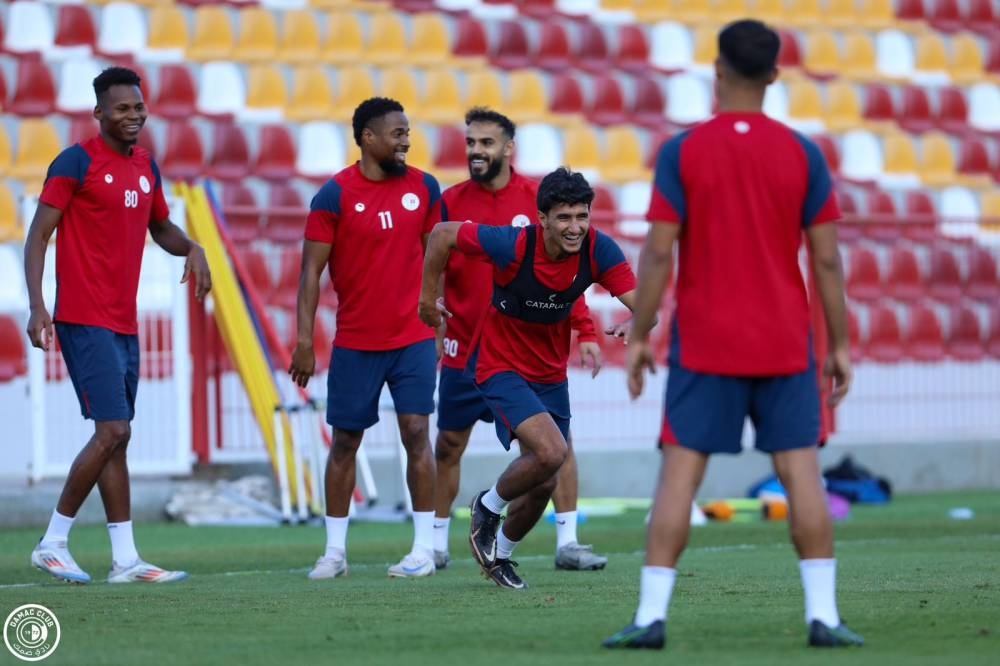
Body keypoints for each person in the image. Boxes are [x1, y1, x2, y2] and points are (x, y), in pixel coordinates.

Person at [602, 20, 863, 649]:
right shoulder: (803, 153)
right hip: (783, 341)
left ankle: (650, 618)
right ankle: (824, 617)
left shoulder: (682, 152)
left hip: (707, 343)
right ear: (774, 75)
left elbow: (657, 253)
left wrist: (639, 336)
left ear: (717, 69)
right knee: (801, 471)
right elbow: (827, 260)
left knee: (679, 475)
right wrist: (838, 345)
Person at [24, 66, 211, 585]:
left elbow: (160, 226)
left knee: (117, 438)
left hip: (123, 321)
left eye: (139, 107)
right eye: (122, 108)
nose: (134, 116)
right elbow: (38, 235)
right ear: (99, 113)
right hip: (83, 317)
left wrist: (192, 247)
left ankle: (126, 560)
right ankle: (52, 542)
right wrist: (38, 307)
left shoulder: (146, 165)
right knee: (113, 429)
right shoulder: (75, 162)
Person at [419, 168, 637, 589]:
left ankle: (499, 554)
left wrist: (637, 321)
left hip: (550, 374)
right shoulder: (513, 244)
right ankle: (486, 506)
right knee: (553, 451)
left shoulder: (598, 249)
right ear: (542, 219)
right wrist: (428, 302)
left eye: (582, 216)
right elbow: (442, 234)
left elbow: (643, 302)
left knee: (546, 478)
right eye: (564, 217)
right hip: (499, 364)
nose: (574, 227)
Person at [290, 97, 443, 580]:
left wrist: (440, 322)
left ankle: (423, 549)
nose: (406, 141)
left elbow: (436, 260)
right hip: (356, 341)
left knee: (417, 433)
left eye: (407, 132)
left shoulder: (425, 187)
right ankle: (334, 552)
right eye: (397, 133)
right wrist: (303, 341)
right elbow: (310, 273)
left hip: (413, 337)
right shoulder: (333, 196)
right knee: (345, 442)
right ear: (367, 137)